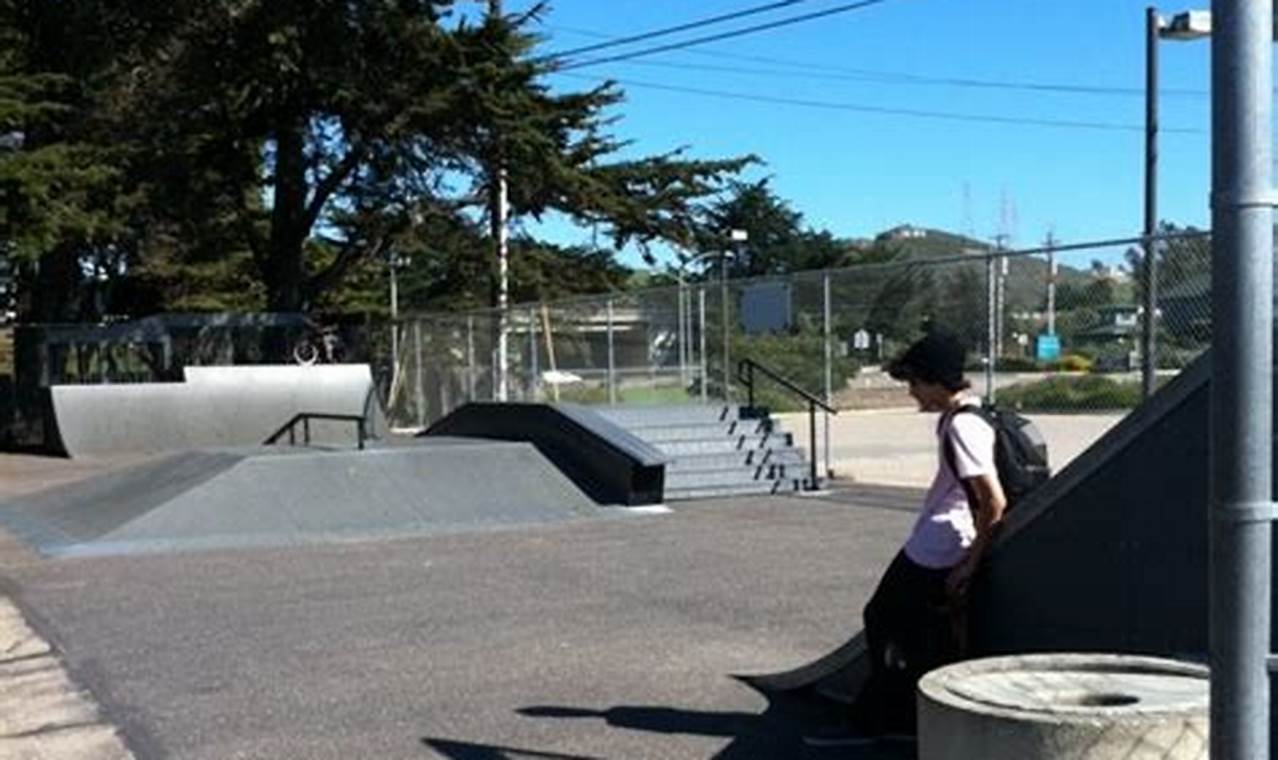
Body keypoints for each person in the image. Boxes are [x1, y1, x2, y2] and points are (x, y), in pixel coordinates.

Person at [805, 330, 1007, 747]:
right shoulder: (972, 415)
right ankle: (910, 717)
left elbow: (993, 502)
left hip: (940, 548)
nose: (912, 393)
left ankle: (882, 719)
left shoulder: (962, 427)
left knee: (882, 619)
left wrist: (967, 565)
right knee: (915, 634)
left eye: (915, 383)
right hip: (940, 543)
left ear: (936, 380)